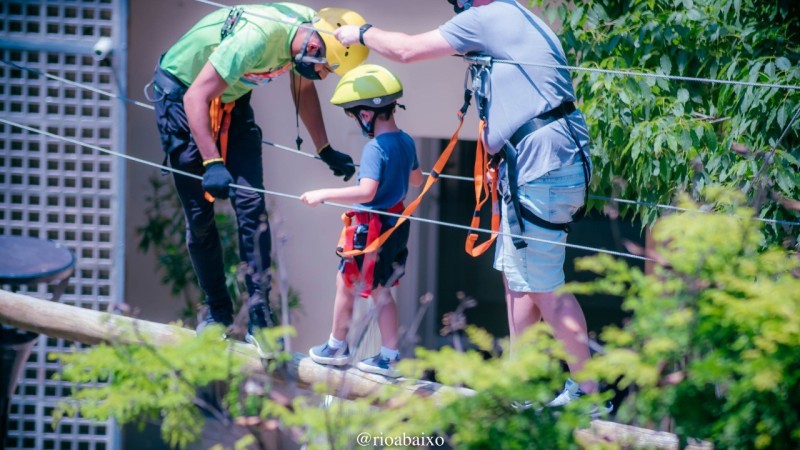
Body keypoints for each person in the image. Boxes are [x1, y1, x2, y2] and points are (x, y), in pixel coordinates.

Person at [335, 0, 598, 404]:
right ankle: (520, 387)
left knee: (546, 288)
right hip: (539, 165)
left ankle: (589, 393)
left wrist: (359, 34)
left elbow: (406, 50)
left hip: (541, 167)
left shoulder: (487, 17)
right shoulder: (516, 16)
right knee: (519, 282)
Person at [148, 4, 368, 355]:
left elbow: (303, 90)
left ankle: (259, 315)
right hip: (183, 96)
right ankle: (217, 313)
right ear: (313, 47)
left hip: (230, 99)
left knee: (252, 207)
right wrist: (212, 162)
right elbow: (195, 97)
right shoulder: (257, 38)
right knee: (200, 218)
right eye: (325, 69)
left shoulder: (308, 32)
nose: (323, 76)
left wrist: (324, 148)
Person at [300, 64, 423, 377]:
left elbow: (366, 191)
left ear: (366, 114)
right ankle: (390, 357)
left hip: (370, 229)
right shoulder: (406, 141)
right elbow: (417, 180)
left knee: (345, 285)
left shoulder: (375, 148)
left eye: (354, 115)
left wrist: (323, 193)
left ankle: (336, 346)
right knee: (383, 291)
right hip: (395, 224)